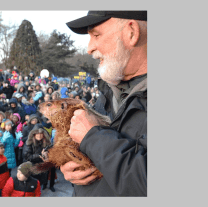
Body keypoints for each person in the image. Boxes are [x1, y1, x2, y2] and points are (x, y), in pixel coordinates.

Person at [63, 10, 147, 196]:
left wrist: (93, 138)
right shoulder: (109, 90)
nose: (89, 48)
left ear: (131, 32)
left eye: (96, 35)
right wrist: (68, 163)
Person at [22, 125, 52, 190]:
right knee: (33, 184)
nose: (39, 135)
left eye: (41, 134)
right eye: (37, 134)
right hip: (32, 166)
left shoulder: (46, 142)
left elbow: (50, 151)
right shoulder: (29, 143)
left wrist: (47, 154)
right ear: (34, 134)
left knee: (41, 182)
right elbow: (27, 156)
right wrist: (39, 155)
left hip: (42, 165)